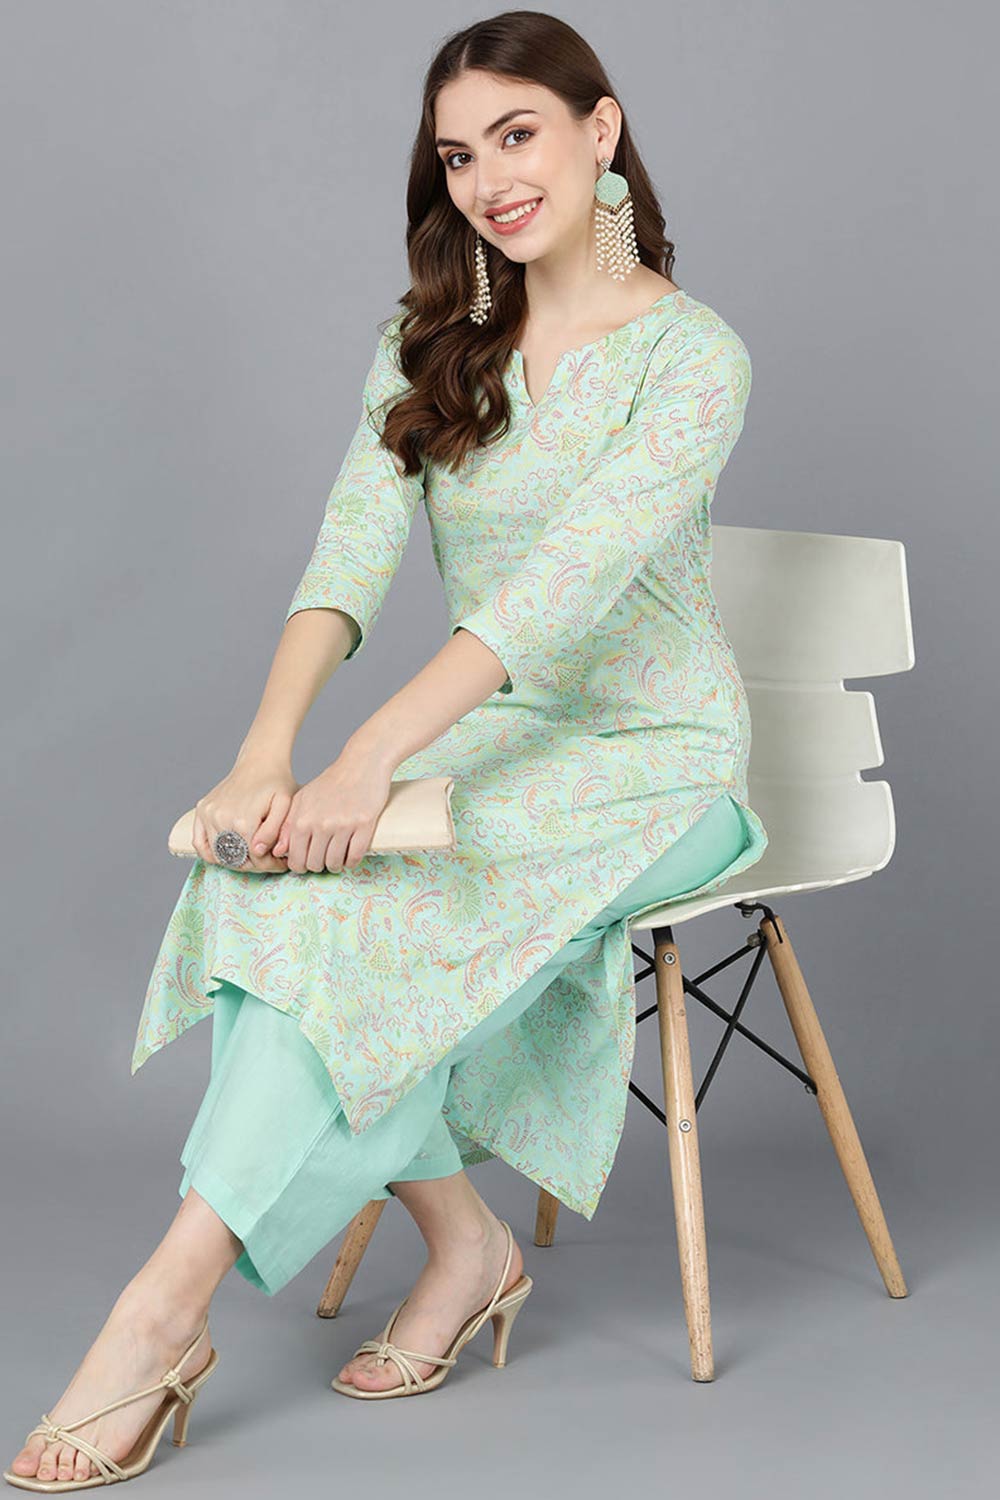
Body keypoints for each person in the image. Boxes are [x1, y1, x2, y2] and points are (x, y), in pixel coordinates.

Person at [5, 7, 769, 1487]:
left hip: (657, 757)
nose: (489, 181)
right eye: (458, 156)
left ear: (601, 130)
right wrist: (269, 755)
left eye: (518, 135)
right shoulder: (430, 344)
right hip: (493, 734)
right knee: (284, 878)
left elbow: (557, 599)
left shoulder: (694, 360)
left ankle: (158, 1315)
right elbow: (349, 555)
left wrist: (368, 763)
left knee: (371, 906)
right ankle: (466, 1244)